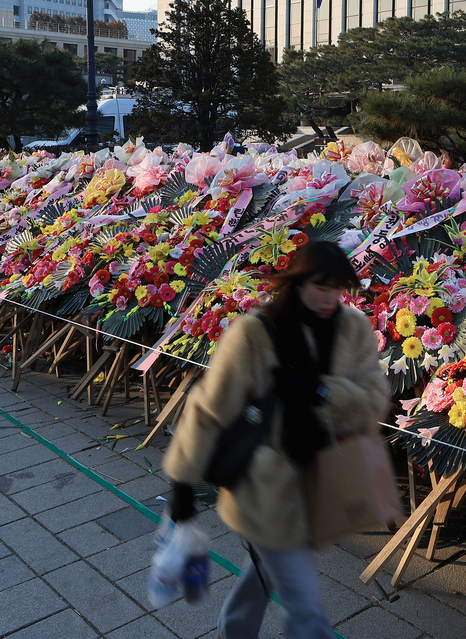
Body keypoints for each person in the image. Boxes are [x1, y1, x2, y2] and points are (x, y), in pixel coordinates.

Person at [162, 240, 390, 639]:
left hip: (322, 479)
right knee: (305, 605)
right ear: (298, 283)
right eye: (321, 287)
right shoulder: (255, 334)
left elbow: (374, 401)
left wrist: (321, 390)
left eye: (338, 288)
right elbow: (209, 409)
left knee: (267, 571)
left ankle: (233, 630)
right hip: (264, 487)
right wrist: (182, 483)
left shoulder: (352, 329)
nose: (331, 298)